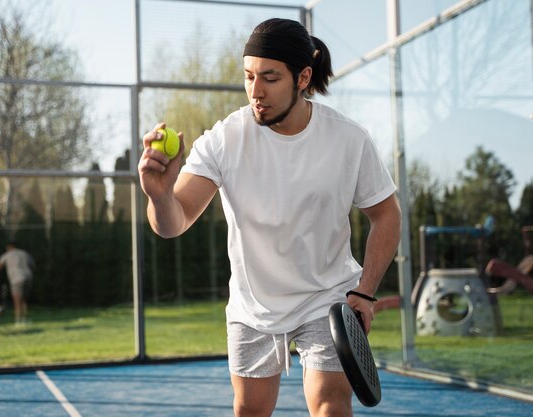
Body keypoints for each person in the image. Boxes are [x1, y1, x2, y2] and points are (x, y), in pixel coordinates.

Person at [138, 18, 402, 417]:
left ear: (303, 77)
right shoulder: (224, 139)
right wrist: (159, 196)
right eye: (248, 77)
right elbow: (173, 222)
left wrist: (364, 292)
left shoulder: (349, 139)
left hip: (325, 298)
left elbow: (387, 215)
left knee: (330, 406)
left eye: (270, 78)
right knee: (250, 411)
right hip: (252, 307)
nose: (255, 91)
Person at [0, 241, 34, 327]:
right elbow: (32, 265)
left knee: (17, 300)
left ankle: (18, 321)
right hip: (29, 277)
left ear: (9, 247)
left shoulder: (7, 255)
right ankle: (25, 319)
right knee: (24, 300)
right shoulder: (25, 253)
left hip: (17, 278)